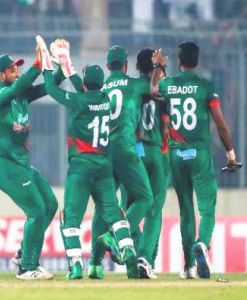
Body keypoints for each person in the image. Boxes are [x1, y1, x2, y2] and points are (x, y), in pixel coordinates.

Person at [38, 36, 138, 280]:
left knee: (70, 218)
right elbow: (81, 85)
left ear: (85, 84)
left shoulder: (78, 101)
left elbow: (51, 89)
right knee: (114, 214)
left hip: (80, 168)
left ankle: (75, 266)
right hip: (104, 166)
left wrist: (48, 65)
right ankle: (128, 249)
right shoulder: (104, 99)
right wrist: (66, 61)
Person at [150, 41, 242, 279]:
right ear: (197, 61)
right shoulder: (205, 87)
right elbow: (221, 124)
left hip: (176, 155)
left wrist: (159, 67)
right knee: (207, 207)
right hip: (199, 154)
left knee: (186, 211)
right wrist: (231, 154)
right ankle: (202, 244)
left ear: (179, 62)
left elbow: (154, 89)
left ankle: (190, 266)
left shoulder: (169, 85)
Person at [0, 43, 63, 280]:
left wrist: (59, 65)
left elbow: (51, 87)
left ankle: (23, 254)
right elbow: (19, 85)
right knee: (37, 211)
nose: (16, 73)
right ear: (1, 75)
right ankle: (27, 268)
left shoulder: (20, 93)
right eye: (11, 70)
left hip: (21, 164)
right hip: (5, 166)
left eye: (17, 69)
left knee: (50, 205)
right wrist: (38, 65)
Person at [89, 45, 154, 279]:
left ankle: (95, 265)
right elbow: (157, 88)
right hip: (125, 148)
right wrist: (158, 68)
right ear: (126, 66)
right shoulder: (134, 84)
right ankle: (117, 236)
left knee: (103, 206)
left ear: (107, 67)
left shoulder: (101, 88)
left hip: (103, 152)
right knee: (145, 197)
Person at [120, 48, 171, 279]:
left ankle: (126, 245)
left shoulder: (131, 86)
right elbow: (168, 118)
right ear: (155, 65)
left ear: (136, 67)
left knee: (130, 203)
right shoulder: (162, 86)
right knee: (153, 209)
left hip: (133, 151)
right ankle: (145, 258)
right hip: (157, 152)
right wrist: (162, 68)